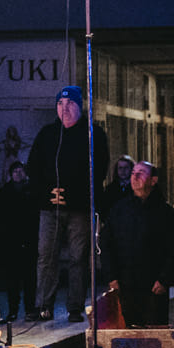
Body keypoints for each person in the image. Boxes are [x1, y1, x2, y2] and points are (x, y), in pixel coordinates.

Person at [25, 84, 110, 321]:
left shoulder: (93, 134)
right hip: (49, 207)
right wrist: (48, 192)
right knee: (46, 257)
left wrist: (71, 192)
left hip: (79, 208)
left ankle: (74, 306)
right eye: (60, 104)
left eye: (70, 104)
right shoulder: (47, 134)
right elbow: (33, 167)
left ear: (80, 106)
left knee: (77, 257)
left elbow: (99, 170)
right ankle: (43, 304)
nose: (65, 109)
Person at [101, 160, 174, 328]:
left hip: (153, 286)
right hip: (125, 284)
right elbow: (106, 243)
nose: (135, 177)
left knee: (154, 336)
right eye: (133, 173)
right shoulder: (119, 210)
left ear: (153, 180)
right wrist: (111, 275)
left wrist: (164, 279)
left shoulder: (166, 213)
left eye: (141, 173)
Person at [0, 161, 39, 321]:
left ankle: (29, 309)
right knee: (12, 280)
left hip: (28, 240)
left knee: (29, 279)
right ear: (11, 174)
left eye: (21, 171)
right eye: (15, 171)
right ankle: (13, 310)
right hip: (10, 242)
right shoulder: (5, 192)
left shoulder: (32, 190)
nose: (18, 174)